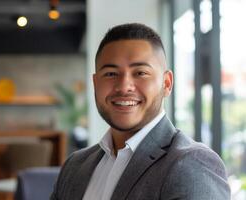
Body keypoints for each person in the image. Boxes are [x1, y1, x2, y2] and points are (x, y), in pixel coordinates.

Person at [50, 23, 230, 200]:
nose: (124, 86)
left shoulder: (192, 164)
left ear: (166, 83)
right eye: (111, 74)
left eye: (140, 73)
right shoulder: (74, 166)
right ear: (96, 84)